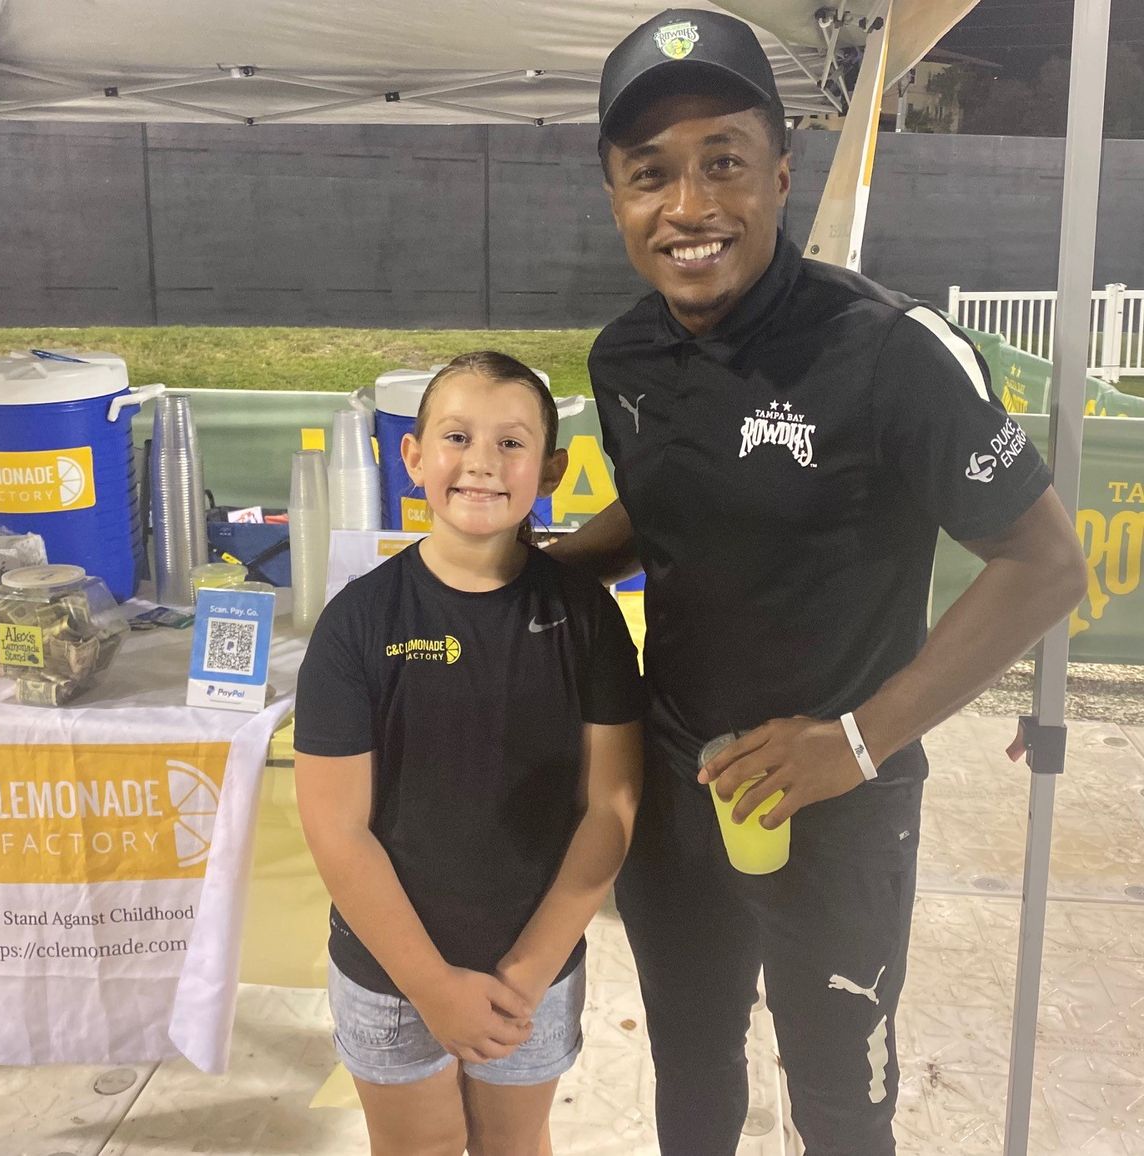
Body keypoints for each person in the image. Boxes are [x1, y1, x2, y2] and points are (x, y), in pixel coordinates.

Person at [546, 9, 1089, 1155]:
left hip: (844, 803)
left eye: (724, 164)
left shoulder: (891, 350)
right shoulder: (625, 357)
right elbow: (670, 500)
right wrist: (535, 568)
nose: (689, 207)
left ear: (783, 174)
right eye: (651, 175)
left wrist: (850, 742)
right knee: (693, 1074)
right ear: (614, 194)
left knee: (840, 1104)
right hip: (680, 782)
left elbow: (1046, 563)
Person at [293, 351, 645, 1156]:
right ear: (413, 458)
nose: (482, 461)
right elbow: (336, 829)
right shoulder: (357, 625)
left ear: (552, 470)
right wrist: (430, 984)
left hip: (535, 970)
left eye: (512, 443)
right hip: (388, 973)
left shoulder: (588, 623)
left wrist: (529, 969)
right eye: (456, 436)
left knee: (514, 1146)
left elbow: (612, 805)